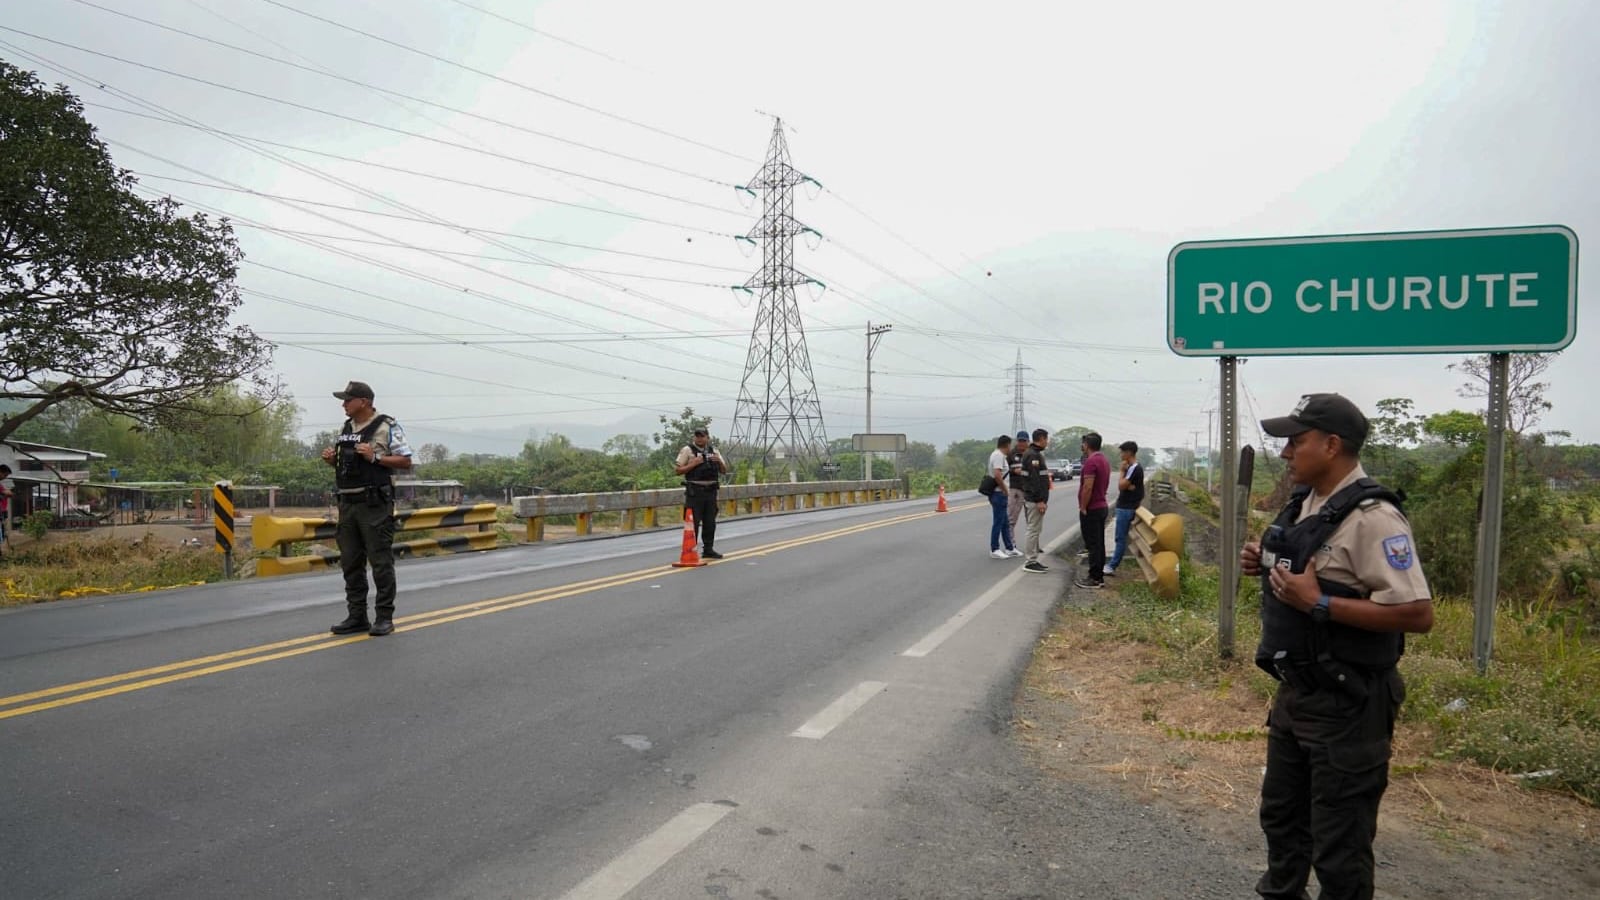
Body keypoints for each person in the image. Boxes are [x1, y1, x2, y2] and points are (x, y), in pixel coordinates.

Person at [1240, 393, 1433, 900]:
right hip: (1297, 695)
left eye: (1295, 441)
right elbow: (1311, 568)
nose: (1285, 452)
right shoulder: (1305, 503)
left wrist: (1320, 604)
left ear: (1331, 445)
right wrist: (1265, 561)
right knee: (1282, 820)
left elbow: (1417, 613)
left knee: (1339, 846)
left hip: (1349, 703)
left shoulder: (1374, 517)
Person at [321, 381, 413, 637]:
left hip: (374, 505)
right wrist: (332, 461)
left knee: (380, 562)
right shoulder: (347, 428)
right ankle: (357, 616)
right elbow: (348, 467)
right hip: (347, 504)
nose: (343, 404)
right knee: (350, 562)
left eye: (348, 400)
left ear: (364, 401)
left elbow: (406, 461)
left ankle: (384, 617)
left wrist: (376, 457)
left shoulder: (387, 426)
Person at [674, 427, 726, 559]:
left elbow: (724, 471)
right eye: (697, 436)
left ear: (707, 437)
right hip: (695, 492)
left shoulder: (714, 451)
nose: (699, 438)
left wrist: (719, 461)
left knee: (710, 522)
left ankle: (708, 549)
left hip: (711, 492)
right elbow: (678, 470)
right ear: (694, 438)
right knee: (693, 523)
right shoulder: (687, 450)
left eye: (702, 436)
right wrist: (694, 463)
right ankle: (691, 550)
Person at [1075, 432, 1110, 589]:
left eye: (1083, 444)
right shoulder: (1103, 460)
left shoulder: (1091, 462)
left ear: (1086, 445)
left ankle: (1095, 578)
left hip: (1092, 508)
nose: (1082, 447)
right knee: (1099, 544)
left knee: (1093, 545)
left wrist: (1083, 506)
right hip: (1101, 506)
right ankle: (1098, 575)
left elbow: (1088, 486)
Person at [1105, 441, 1145, 576]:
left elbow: (1121, 486)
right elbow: (1128, 486)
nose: (1120, 455)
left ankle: (1112, 566)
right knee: (1120, 537)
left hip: (1126, 507)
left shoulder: (1134, 468)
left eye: (1122, 452)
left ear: (1129, 453)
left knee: (1120, 538)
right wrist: (1127, 485)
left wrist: (1122, 472)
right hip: (1127, 506)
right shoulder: (1132, 468)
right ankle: (1112, 564)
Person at [1019, 428, 1052, 574]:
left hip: (1033, 498)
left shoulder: (1033, 454)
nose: (1047, 442)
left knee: (1035, 529)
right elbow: (1033, 480)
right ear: (1041, 439)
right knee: (1033, 529)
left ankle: (1033, 559)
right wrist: (1040, 500)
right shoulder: (1033, 456)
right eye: (1046, 439)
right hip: (1034, 499)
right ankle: (1030, 561)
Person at [985, 435, 1021, 559]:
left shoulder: (1000, 456)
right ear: (1006, 445)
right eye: (1010, 445)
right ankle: (994, 548)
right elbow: (997, 475)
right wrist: (1005, 490)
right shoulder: (998, 456)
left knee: (1005, 522)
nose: (1010, 447)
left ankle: (1009, 547)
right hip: (998, 493)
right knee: (998, 522)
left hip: (1000, 493)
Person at [1005, 430, 1030, 545]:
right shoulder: (1011, 454)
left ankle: (1033, 544)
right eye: (1019, 441)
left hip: (1030, 491)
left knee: (1031, 520)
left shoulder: (1031, 454)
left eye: (1023, 441)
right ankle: (1011, 544)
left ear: (1028, 442)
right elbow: (1004, 469)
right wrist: (1014, 470)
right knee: (1011, 518)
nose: (1021, 443)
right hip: (1016, 489)